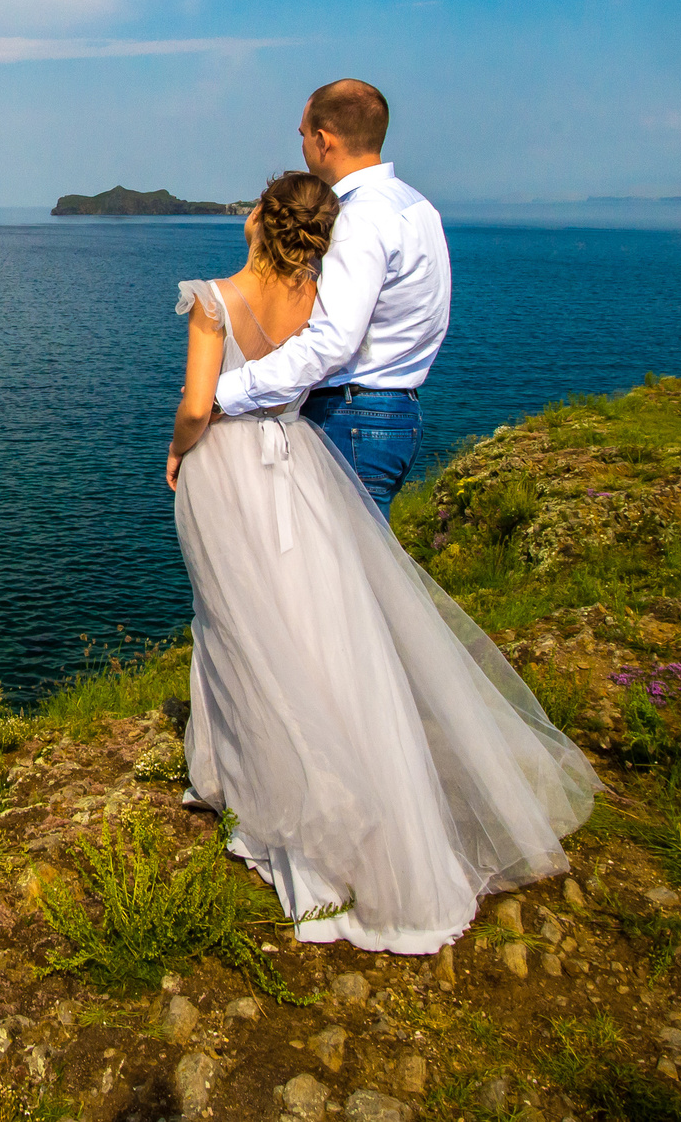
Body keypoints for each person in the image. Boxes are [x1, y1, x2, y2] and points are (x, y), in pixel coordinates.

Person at [165, 169, 597, 952]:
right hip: (298, 462)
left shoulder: (211, 300)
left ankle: (254, 780)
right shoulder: (315, 297)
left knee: (235, 620)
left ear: (262, 219)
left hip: (227, 469)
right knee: (309, 623)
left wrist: (177, 446)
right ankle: (330, 774)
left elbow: (199, 404)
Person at [214, 79, 448, 516]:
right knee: (363, 553)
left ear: (323, 141)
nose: (302, 144)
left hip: (351, 417)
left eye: (303, 134)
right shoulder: (418, 207)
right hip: (400, 413)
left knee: (339, 560)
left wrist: (224, 393)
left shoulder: (357, 219)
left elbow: (332, 341)